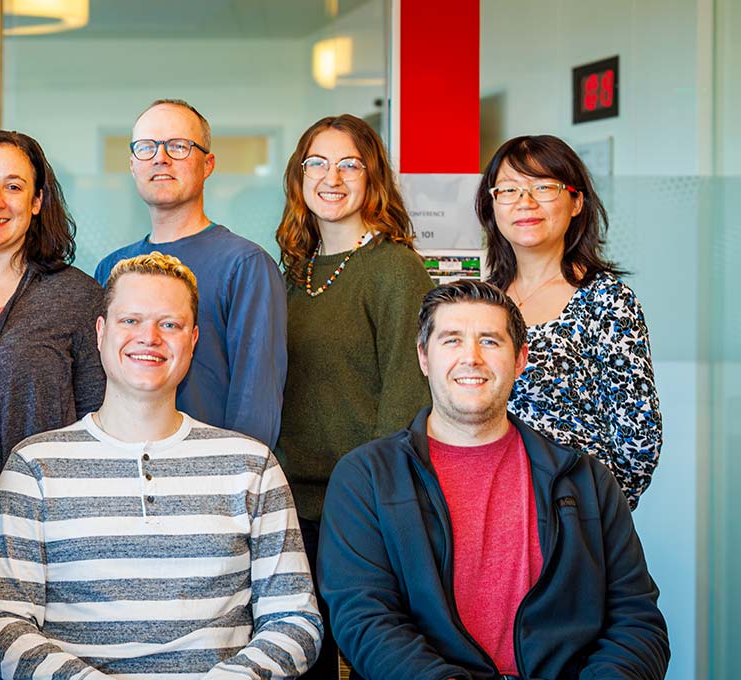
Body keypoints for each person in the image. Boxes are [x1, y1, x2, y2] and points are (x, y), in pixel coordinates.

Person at [0, 252, 321, 680]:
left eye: (169, 324)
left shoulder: (252, 466)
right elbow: (0, 625)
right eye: (131, 321)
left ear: (193, 340)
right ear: (100, 334)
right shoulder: (33, 467)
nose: (149, 337)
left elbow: (295, 621)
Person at [319, 280, 669, 679]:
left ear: (520, 359)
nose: (471, 358)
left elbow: (637, 621)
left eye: (490, 341)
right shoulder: (365, 478)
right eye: (451, 340)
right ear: (423, 357)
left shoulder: (585, 480)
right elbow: (364, 619)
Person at [0, 129, 105, 680]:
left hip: (36, 532)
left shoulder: (76, 296)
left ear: (36, 203)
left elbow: (100, 417)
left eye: (14, 187)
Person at [271, 114, 434, 679]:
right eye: (317, 162)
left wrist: (372, 501)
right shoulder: (292, 272)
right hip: (291, 506)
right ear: (299, 176)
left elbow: (407, 399)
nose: (331, 177)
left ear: (373, 178)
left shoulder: (395, 269)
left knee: (369, 659)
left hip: (358, 507)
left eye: (349, 164)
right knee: (299, 659)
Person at [91, 99, 287, 448]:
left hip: (211, 480)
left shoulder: (245, 266)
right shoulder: (111, 269)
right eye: (147, 147)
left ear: (207, 164)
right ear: (133, 164)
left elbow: (255, 404)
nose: (160, 158)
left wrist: (233, 479)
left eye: (178, 147)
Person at [477, 134, 659, 508]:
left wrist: (598, 515)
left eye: (543, 187)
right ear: (492, 205)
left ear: (576, 201)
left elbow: (639, 437)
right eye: (508, 190)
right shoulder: (481, 300)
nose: (525, 202)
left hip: (572, 512)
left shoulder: (606, 300)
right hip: (486, 505)